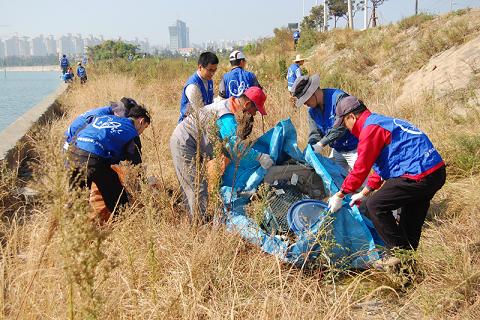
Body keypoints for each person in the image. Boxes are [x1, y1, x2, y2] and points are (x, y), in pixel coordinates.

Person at [326, 96, 446, 267]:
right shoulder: (380, 122)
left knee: (375, 205)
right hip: (434, 172)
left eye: (345, 123)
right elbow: (384, 165)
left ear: (351, 117)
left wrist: (340, 194)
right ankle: (408, 274)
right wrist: (364, 192)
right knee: (407, 230)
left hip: (419, 174)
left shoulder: (370, 129)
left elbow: (361, 168)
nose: (347, 128)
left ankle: (397, 254)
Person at [170, 86, 273, 221]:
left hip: (195, 143)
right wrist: (259, 157)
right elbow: (234, 146)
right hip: (185, 142)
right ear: (247, 104)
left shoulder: (230, 106)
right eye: (255, 110)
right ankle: (197, 226)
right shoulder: (226, 115)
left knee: (197, 185)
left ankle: (194, 217)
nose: (254, 114)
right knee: (196, 187)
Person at [67, 105, 151, 214]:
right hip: (93, 157)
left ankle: (70, 226)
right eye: (145, 127)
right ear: (141, 121)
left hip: (73, 153)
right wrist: (143, 188)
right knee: (117, 198)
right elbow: (137, 166)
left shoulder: (105, 117)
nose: (142, 132)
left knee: (76, 199)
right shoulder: (131, 132)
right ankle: (123, 221)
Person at [291, 74, 359, 171]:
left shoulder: (339, 99)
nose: (305, 104)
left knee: (361, 183)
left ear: (313, 92)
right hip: (337, 150)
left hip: (355, 149)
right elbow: (315, 134)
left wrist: (321, 144)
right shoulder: (312, 112)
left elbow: (341, 126)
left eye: (306, 100)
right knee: (336, 180)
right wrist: (311, 148)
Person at [64, 97, 139, 150]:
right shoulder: (100, 116)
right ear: (119, 111)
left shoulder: (108, 111)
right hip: (71, 142)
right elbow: (83, 134)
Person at [178, 51, 219, 123]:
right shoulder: (193, 86)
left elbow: (211, 102)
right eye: (210, 70)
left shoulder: (209, 80)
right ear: (200, 67)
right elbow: (200, 112)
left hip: (203, 122)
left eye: (215, 70)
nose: (212, 73)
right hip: (188, 126)